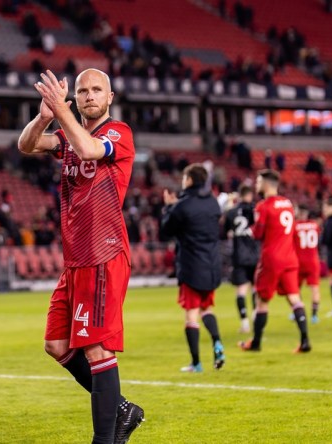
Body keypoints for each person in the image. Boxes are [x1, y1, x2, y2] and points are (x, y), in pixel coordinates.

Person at [17, 68, 144, 444]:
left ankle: (105, 439)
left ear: (110, 96)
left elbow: (90, 149)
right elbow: (26, 146)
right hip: (75, 257)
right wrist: (43, 116)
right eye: (82, 91)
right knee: (56, 345)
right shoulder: (68, 135)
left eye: (96, 90)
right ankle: (122, 409)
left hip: (103, 252)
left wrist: (62, 111)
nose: (89, 96)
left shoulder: (117, 133)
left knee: (96, 346)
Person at [160, 163, 225, 373]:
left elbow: (166, 230)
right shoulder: (213, 203)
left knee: (191, 315)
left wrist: (169, 206)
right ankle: (217, 342)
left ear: (189, 180)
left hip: (191, 266)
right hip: (212, 264)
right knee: (207, 308)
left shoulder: (182, 206)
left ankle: (196, 363)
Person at [239, 169, 311, 353]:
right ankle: (305, 341)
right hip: (289, 257)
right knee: (295, 298)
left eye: (258, 181)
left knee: (262, 301)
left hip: (271, 259)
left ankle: (256, 343)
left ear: (266, 184)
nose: (256, 184)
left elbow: (259, 233)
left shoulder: (263, 206)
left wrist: (249, 230)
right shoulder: (287, 203)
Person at [222, 184, 259, 333]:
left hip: (239, 255)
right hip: (254, 254)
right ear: (250, 195)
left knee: (241, 291)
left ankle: (244, 323)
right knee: (256, 288)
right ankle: (257, 317)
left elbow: (226, 231)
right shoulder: (256, 209)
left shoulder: (231, 212)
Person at [293, 204, 321, 324]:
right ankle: (314, 316)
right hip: (313, 261)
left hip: (298, 261)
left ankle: (298, 312)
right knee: (314, 289)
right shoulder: (315, 225)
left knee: (295, 290)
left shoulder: (295, 226)